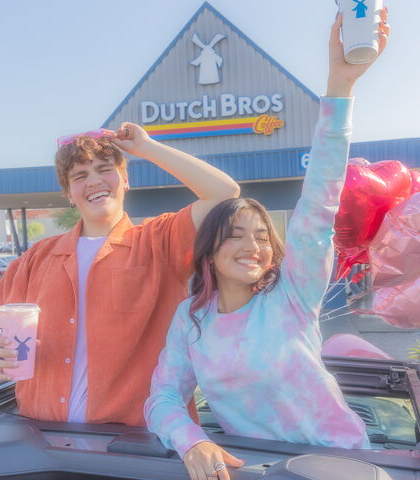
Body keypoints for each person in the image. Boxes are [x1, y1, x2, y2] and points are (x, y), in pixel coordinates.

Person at [144, 11, 390, 480]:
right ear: (209, 250)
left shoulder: (292, 293)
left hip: (344, 465)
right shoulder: (191, 319)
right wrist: (191, 440)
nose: (251, 245)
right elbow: (164, 397)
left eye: (261, 236)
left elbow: (319, 201)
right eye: (235, 234)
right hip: (256, 470)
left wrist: (340, 86)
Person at [0, 121, 240, 425]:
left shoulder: (160, 241)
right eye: (80, 176)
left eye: (105, 169)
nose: (94, 181)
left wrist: (147, 148)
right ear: (68, 193)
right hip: (42, 441)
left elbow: (225, 194)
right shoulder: (35, 259)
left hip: (137, 447)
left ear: (125, 178)